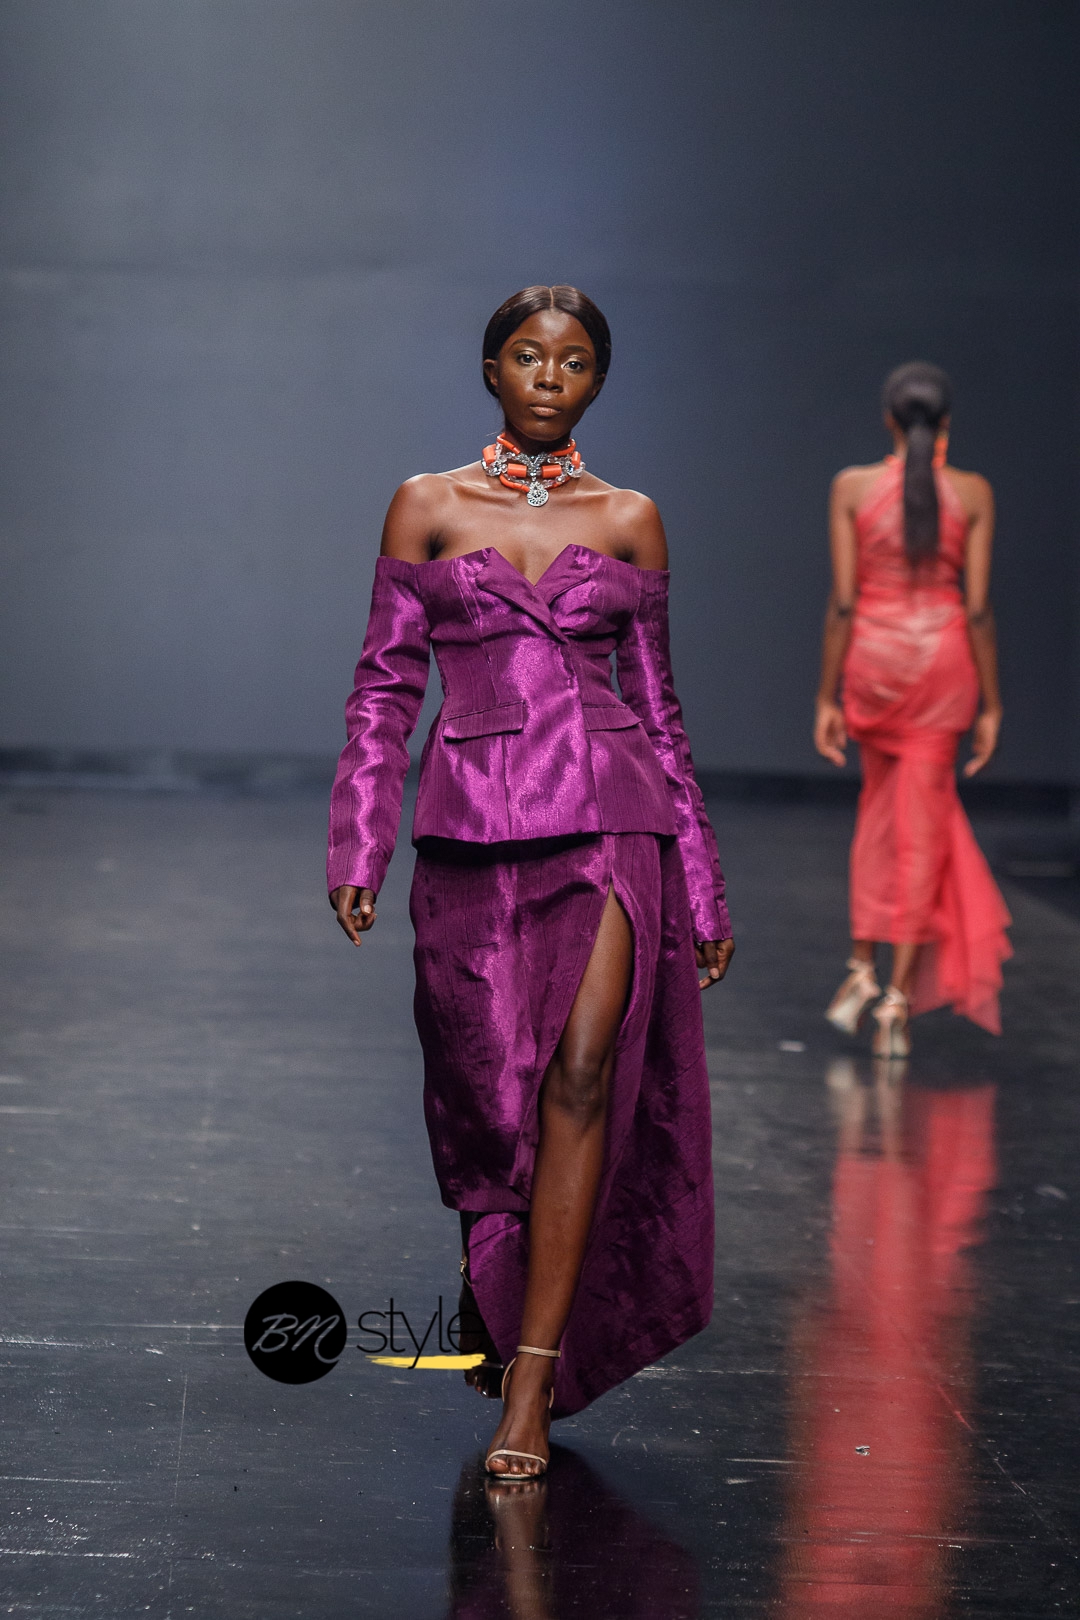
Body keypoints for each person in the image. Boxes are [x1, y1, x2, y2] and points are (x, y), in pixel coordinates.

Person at [327, 286, 733, 1480]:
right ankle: (499, 1283)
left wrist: (703, 884)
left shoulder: (632, 518)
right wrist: (358, 840)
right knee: (485, 1089)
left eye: (575, 360)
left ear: (597, 379)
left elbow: (661, 712)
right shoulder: (427, 504)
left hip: (612, 820)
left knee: (583, 1072)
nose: (551, 376)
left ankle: (533, 1380)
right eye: (527, 354)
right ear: (492, 370)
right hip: (472, 832)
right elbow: (383, 690)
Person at [814, 361, 1011, 1057]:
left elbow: (844, 602)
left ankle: (861, 967)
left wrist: (826, 696)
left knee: (877, 815)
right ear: (946, 422)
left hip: (873, 666)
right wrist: (992, 705)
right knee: (921, 830)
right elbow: (978, 609)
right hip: (941, 672)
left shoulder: (852, 487)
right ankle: (896, 1001)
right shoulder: (974, 492)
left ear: (889, 421)